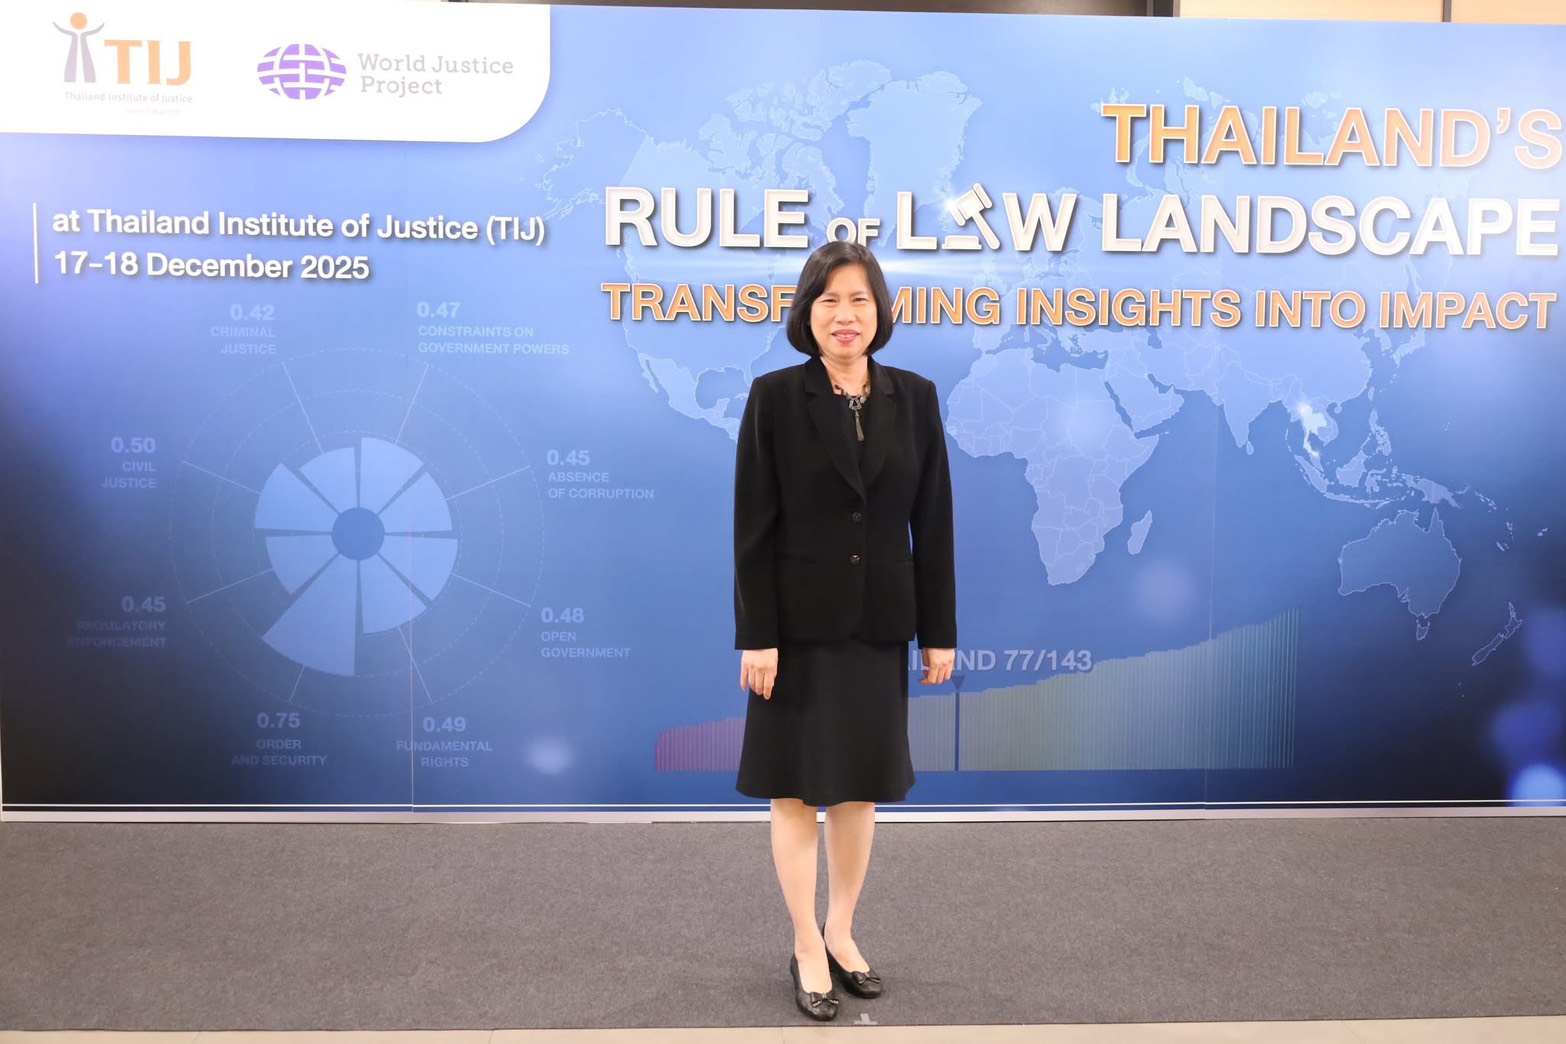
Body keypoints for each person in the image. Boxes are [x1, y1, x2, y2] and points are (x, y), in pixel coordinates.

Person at [732, 239, 956, 1021]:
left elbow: (934, 522)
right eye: (829, 300)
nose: (845, 315)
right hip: (794, 632)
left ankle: (841, 932)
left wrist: (938, 631)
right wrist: (757, 634)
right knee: (796, 792)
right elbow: (753, 527)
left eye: (859, 299)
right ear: (808, 312)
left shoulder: (915, 397)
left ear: (879, 311)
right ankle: (804, 943)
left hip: (878, 625)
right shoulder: (773, 397)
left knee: (860, 790)